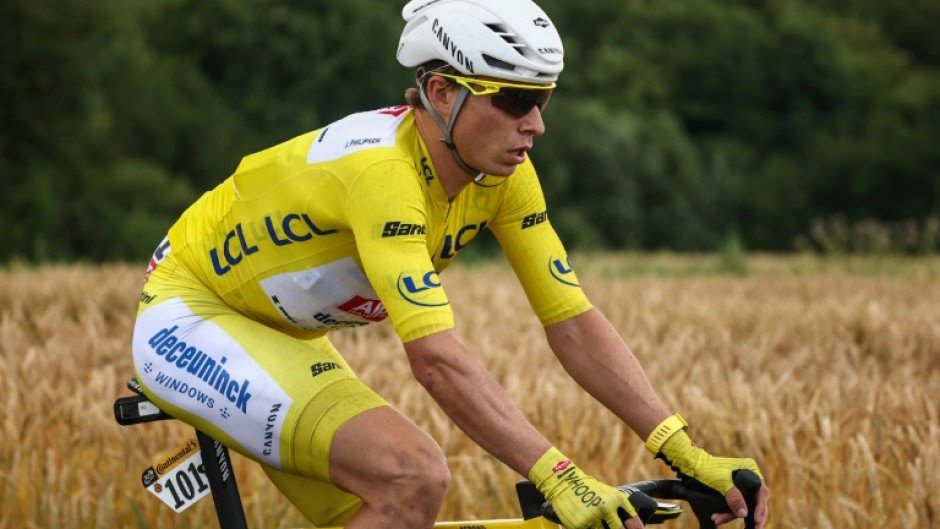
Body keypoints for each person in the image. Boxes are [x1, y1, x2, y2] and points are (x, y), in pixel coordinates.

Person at [131, 1, 770, 528]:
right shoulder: (384, 174)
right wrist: (560, 476)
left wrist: (682, 451)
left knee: (401, 503)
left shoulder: (503, 174)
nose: (538, 125)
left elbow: (570, 318)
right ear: (442, 92)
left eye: (544, 98)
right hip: (191, 317)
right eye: (517, 100)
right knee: (412, 472)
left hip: (286, 335)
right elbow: (435, 360)